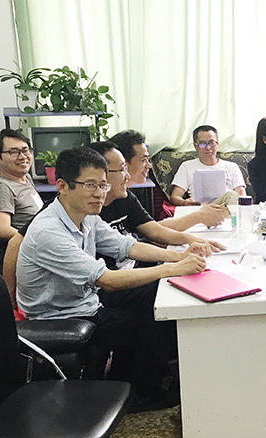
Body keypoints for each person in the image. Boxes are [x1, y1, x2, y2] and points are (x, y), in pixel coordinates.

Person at [16, 146, 207, 410]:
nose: (99, 193)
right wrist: (174, 268)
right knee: (141, 323)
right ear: (63, 186)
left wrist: (179, 257)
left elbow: (126, 246)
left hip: (83, 298)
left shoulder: (85, 216)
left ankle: (151, 377)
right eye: (90, 185)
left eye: (103, 185)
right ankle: (138, 394)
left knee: (158, 293)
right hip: (59, 314)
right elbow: (106, 279)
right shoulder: (49, 231)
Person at [108, 129, 231, 231]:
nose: (149, 166)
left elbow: (151, 229)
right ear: (122, 163)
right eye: (143, 160)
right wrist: (197, 215)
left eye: (212, 143)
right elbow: (152, 232)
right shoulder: (101, 202)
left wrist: (196, 224)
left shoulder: (126, 196)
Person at [0, 129, 43, 241]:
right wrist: (35, 241)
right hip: (35, 244)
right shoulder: (1, 187)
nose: (23, 156)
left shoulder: (26, 178)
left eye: (25, 150)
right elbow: (1, 230)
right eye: (14, 152)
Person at [168, 125, 247, 206]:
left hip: (226, 206)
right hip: (200, 207)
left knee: (232, 195)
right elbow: (175, 197)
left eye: (211, 143)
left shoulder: (232, 167)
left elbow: (242, 195)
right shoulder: (187, 166)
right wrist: (186, 202)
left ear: (217, 143)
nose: (208, 147)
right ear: (195, 146)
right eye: (202, 144)